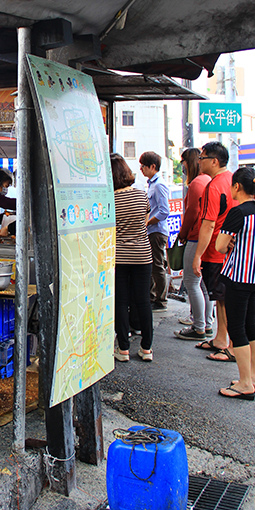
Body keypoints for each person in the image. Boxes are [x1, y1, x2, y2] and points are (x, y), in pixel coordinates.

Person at [215, 167, 255, 399]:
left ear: (237, 187)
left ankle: (244, 383)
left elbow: (219, 246)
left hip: (237, 277)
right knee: (251, 324)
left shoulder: (238, 213)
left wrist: (230, 243)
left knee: (237, 328)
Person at [192, 141, 238, 362]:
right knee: (220, 298)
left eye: (202, 158)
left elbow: (209, 224)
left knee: (223, 299)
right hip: (229, 251)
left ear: (214, 161)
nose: (199, 162)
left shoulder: (215, 185)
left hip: (216, 252)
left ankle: (228, 343)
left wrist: (198, 255)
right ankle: (221, 338)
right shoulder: (232, 182)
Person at [110, 153, 154, 363]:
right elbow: (144, 223)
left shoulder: (111, 200)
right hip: (143, 255)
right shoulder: (141, 195)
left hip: (119, 256)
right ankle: (146, 348)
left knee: (121, 301)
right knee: (143, 301)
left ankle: (124, 349)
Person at [174, 148, 215, 340]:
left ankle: (198, 326)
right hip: (206, 237)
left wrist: (182, 233)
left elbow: (192, 212)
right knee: (203, 284)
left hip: (195, 236)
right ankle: (205, 323)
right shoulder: (208, 181)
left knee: (191, 281)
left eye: (182, 162)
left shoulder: (197, 182)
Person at [139, 151, 170, 311]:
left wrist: (147, 223)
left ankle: (160, 299)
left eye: (143, 166)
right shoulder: (152, 184)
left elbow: (164, 211)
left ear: (152, 166)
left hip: (157, 231)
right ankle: (153, 296)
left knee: (157, 265)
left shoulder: (159, 185)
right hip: (152, 231)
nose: (141, 169)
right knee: (152, 265)